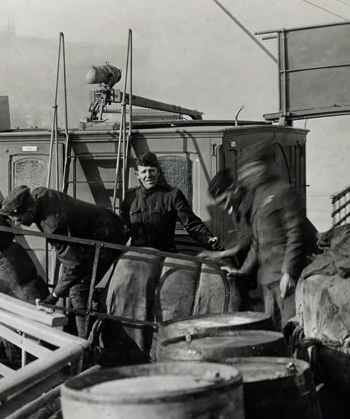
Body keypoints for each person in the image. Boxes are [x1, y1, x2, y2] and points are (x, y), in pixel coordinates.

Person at [0, 184, 125, 338]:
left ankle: (84, 347)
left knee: (78, 290)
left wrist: (53, 297)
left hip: (108, 237)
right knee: (70, 282)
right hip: (101, 227)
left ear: (30, 210)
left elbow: (73, 265)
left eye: (18, 219)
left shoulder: (52, 226)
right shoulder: (39, 194)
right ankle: (73, 332)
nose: (18, 224)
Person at [225, 141, 316, 330]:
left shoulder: (284, 192)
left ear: (263, 167)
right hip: (267, 278)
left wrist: (289, 272)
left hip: (285, 277)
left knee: (293, 328)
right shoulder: (258, 195)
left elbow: (295, 233)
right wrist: (242, 271)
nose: (246, 176)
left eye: (251, 170)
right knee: (272, 330)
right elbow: (257, 243)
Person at [121, 151, 219, 254]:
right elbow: (123, 230)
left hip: (165, 257)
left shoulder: (172, 195)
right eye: (144, 172)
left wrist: (208, 239)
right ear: (137, 175)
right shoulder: (130, 197)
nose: (148, 175)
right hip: (138, 256)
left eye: (151, 171)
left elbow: (191, 223)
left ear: (158, 171)